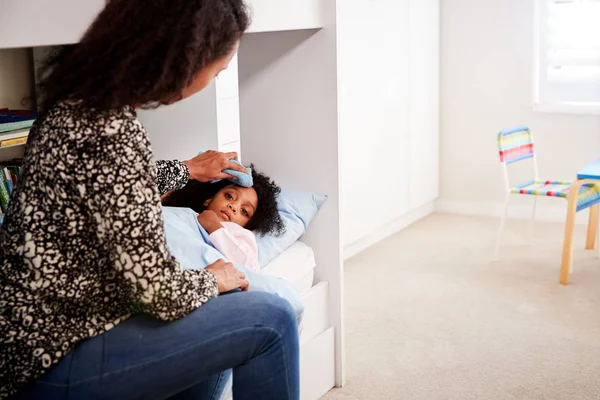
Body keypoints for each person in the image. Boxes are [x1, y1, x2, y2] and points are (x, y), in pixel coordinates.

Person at [0, 1, 299, 399]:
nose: (212, 79)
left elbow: (116, 188)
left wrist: (188, 170)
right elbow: (157, 291)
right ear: (186, 58)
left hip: (37, 338)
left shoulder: (78, 106)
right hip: (51, 356)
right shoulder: (111, 133)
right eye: (219, 69)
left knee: (215, 325)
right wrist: (212, 278)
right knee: (272, 319)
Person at [163, 166, 285, 271]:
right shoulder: (187, 214)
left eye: (244, 211)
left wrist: (215, 228)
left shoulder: (240, 235)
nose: (233, 206)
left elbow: (249, 267)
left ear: (247, 224)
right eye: (229, 196)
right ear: (208, 200)